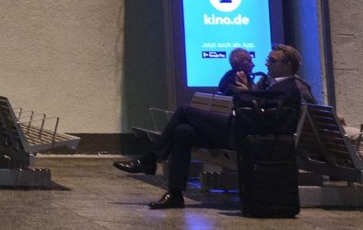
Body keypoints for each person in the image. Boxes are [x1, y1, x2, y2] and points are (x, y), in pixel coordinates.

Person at [114, 43, 315, 209]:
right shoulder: (267, 82)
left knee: (185, 111)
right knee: (183, 131)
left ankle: (149, 159)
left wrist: (245, 92)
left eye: (272, 61)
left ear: (288, 65)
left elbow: (264, 107)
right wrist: (247, 91)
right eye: (268, 59)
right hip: (239, 128)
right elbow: (257, 100)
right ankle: (175, 193)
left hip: (245, 134)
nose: (266, 63)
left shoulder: (291, 88)